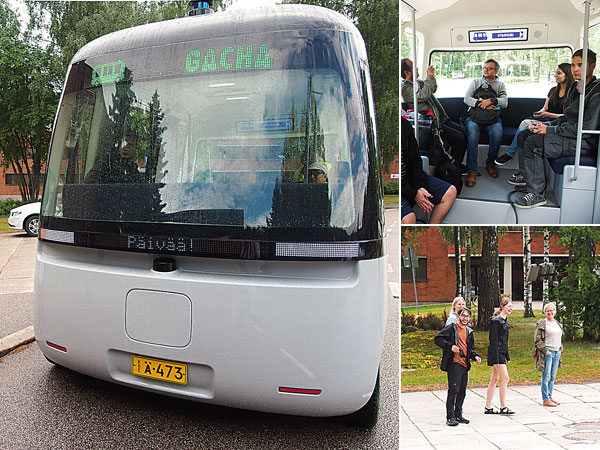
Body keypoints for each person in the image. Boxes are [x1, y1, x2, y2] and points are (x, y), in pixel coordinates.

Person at [513, 49, 600, 208]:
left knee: (534, 144)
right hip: (567, 134)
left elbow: (585, 131)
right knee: (524, 135)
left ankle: (537, 194)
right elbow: (565, 117)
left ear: (592, 66)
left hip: (582, 142)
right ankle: (527, 179)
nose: (575, 69)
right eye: (573, 65)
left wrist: (549, 131)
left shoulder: (596, 93)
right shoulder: (576, 88)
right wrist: (546, 125)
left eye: (580, 65)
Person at [495, 63, 575, 181]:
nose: (555, 75)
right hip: (547, 119)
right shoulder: (553, 90)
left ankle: (510, 154)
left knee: (524, 125)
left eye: (559, 73)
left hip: (559, 123)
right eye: (555, 72)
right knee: (525, 124)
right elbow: (545, 108)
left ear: (567, 75)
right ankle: (522, 170)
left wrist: (548, 115)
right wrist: (540, 113)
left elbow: (567, 117)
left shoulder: (572, 93)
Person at [401, 59, 467, 167]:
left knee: (464, 132)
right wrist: (430, 77)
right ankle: (456, 166)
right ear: (407, 72)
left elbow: (433, 88)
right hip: (433, 124)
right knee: (459, 137)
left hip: (441, 118)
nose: (417, 68)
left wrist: (430, 78)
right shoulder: (405, 89)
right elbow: (424, 95)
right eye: (414, 67)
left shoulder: (419, 83)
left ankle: (457, 162)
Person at [401, 117, 457, 224]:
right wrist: (414, 194)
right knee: (409, 219)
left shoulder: (405, 125)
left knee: (450, 192)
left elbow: (415, 159)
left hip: (411, 178)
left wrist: (420, 186)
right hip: (400, 185)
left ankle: (430, 230)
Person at [463, 59, 508, 187]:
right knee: (472, 132)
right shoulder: (475, 82)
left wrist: (492, 101)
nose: (486, 70)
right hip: (474, 116)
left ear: (496, 71)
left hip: (492, 117)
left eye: (490, 68)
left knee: (497, 133)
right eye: (485, 67)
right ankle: (472, 170)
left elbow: (505, 102)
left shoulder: (500, 85)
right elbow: (466, 99)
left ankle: (490, 163)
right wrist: (481, 104)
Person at [435, 307, 482, 426]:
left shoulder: (469, 332)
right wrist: (450, 346)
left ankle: (458, 414)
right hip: (454, 363)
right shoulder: (451, 328)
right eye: (463, 316)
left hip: (464, 365)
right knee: (454, 390)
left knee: (462, 391)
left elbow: (470, 349)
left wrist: (475, 356)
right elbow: (438, 339)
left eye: (467, 316)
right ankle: (450, 416)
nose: (465, 318)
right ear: (458, 316)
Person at [484, 297, 515, 415]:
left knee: (494, 379)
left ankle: (488, 407)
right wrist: (496, 359)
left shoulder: (504, 320)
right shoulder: (496, 321)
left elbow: (504, 341)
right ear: (502, 306)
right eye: (509, 306)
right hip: (496, 354)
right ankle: (503, 406)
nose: (511, 308)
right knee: (505, 378)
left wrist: (507, 356)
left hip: (501, 353)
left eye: (512, 306)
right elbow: (494, 341)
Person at [534, 302, 563, 407]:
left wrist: (560, 350)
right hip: (548, 353)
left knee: (552, 376)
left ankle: (550, 396)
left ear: (555, 311)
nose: (550, 312)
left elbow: (559, 337)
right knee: (546, 376)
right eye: (547, 310)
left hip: (557, 352)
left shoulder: (557, 323)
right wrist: (546, 351)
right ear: (544, 312)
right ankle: (545, 399)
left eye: (551, 310)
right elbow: (537, 340)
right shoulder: (542, 323)